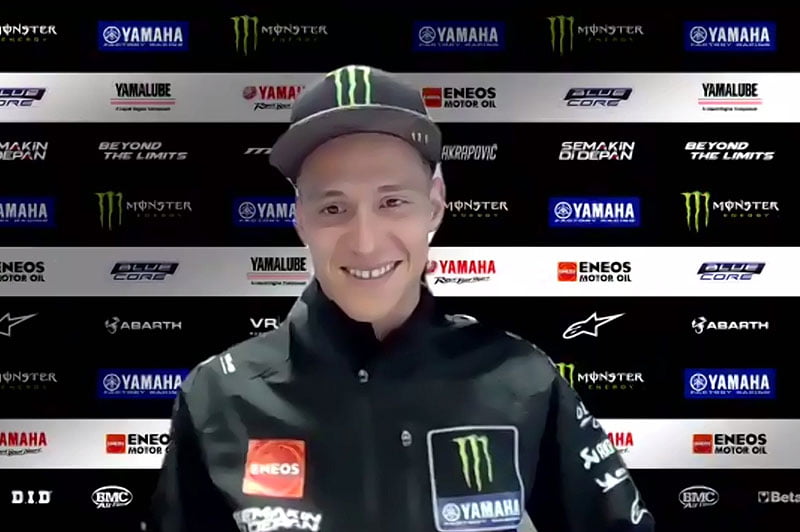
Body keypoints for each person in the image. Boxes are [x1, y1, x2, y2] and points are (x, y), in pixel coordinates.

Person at [151, 64, 655, 532]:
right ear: (300, 219)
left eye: (392, 201)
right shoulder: (219, 396)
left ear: (434, 205)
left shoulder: (522, 379)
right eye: (333, 208)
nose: (366, 242)